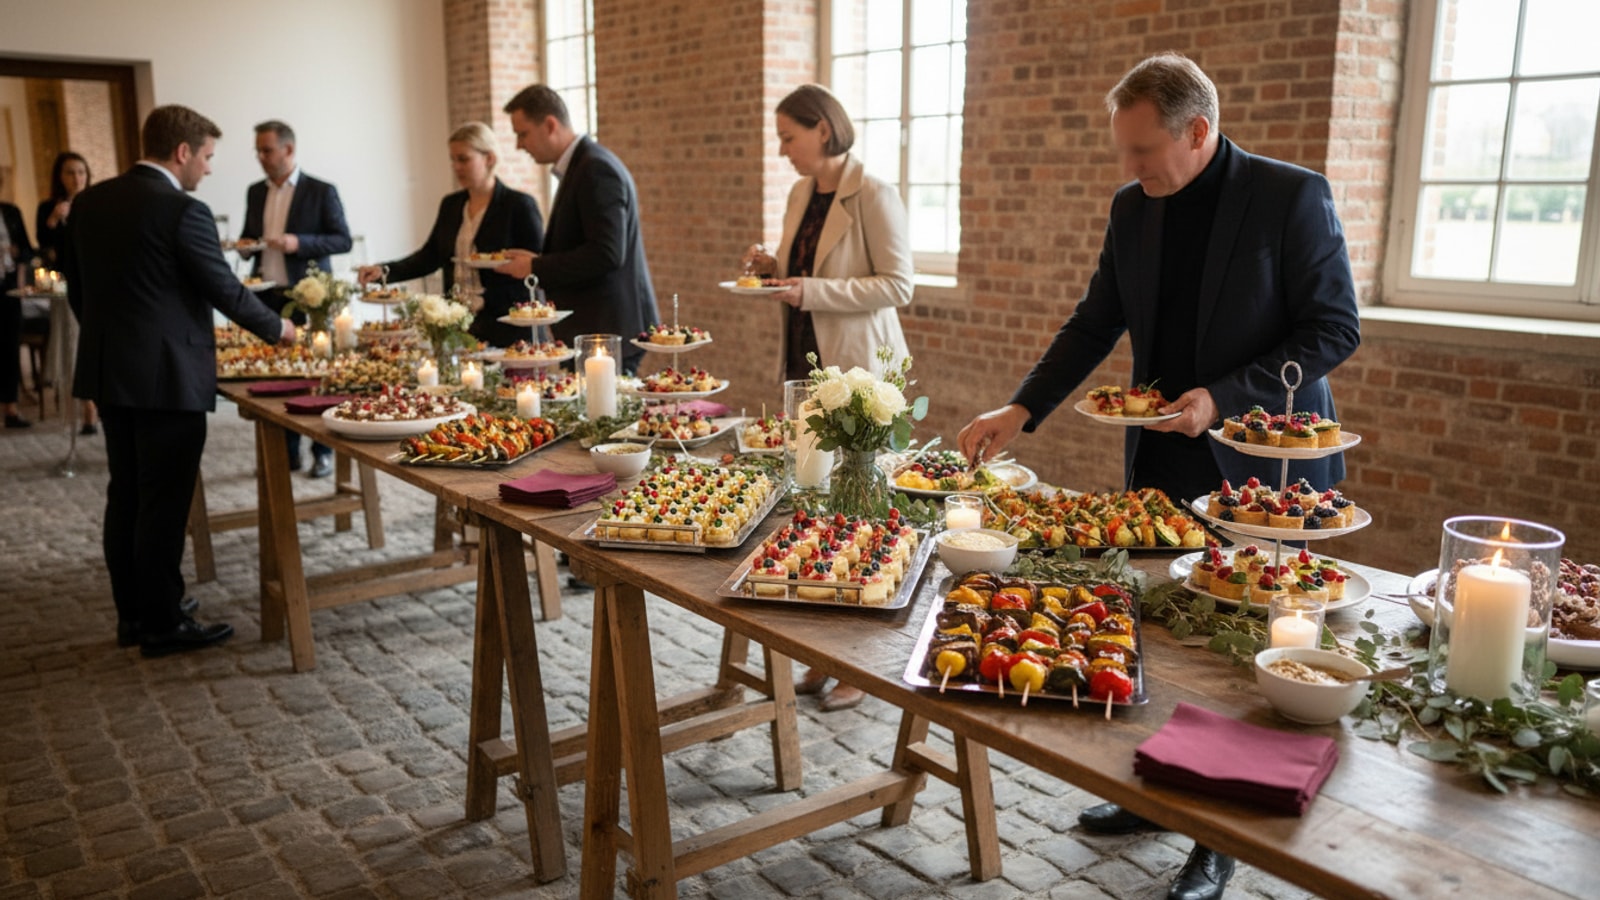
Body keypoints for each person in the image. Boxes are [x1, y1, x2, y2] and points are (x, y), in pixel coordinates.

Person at [957, 54, 1361, 900]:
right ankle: (1158, 795)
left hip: (1262, 469)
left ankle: (1217, 842)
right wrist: (1020, 410)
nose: (1129, 169)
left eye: (1143, 151)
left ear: (1198, 132)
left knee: (1240, 649)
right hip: (1163, 455)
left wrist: (1225, 399)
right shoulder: (1131, 207)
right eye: (1125, 152)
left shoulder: (1291, 196)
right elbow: (1095, 320)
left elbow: (1334, 329)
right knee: (1169, 635)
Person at [62, 104, 297, 658]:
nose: (210, 170)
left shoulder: (90, 203)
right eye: (208, 157)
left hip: (109, 369)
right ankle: (164, 624)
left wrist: (109, 341)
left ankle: (135, 615)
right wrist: (279, 329)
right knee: (165, 502)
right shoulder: (181, 210)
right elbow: (223, 288)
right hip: (166, 377)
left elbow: (79, 290)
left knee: (127, 494)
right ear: (183, 152)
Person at [745, 83, 915, 712]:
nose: (783, 148)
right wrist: (772, 267)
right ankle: (820, 652)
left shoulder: (873, 190)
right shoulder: (798, 192)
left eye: (789, 136)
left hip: (861, 371)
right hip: (805, 358)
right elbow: (802, 270)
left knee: (865, 513)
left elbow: (898, 285)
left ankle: (859, 667)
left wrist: (809, 289)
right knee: (817, 511)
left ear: (822, 128)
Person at [495, 85, 658, 373]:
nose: (519, 145)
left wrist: (536, 266)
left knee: (607, 418)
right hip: (596, 327)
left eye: (522, 134)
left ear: (549, 125)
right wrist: (534, 260)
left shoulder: (595, 168)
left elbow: (607, 253)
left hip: (607, 330)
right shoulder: (583, 165)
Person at [358, 121, 544, 349]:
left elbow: (535, 275)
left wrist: (484, 300)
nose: (456, 167)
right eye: (453, 159)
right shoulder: (451, 205)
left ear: (490, 159)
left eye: (463, 159)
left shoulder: (519, 206)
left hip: (508, 330)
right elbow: (429, 256)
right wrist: (384, 271)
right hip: (458, 327)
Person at [238, 120, 352, 478]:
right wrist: (243, 246)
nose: (261, 157)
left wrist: (298, 243)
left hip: (308, 298)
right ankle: (287, 453)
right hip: (267, 297)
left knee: (317, 376)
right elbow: (248, 237)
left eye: (267, 150)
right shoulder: (255, 191)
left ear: (288, 149)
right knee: (278, 378)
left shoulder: (321, 190)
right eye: (258, 150)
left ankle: (323, 451)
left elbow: (341, 240)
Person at [34, 152, 99, 435]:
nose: (77, 178)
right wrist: (53, 219)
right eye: (70, 172)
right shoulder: (48, 207)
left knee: (97, 343)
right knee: (72, 346)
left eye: (81, 172)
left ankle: (97, 405)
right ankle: (86, 409)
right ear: (60, 177)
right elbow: (41, 245)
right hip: (65, 285)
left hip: (96, 283)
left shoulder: (97, 203)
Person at [1, 180, 35, 429]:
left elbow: (27, 251)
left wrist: (16, 254)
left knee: (9, 348)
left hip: (9, 287)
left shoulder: (11, 212)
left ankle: (10, 408)